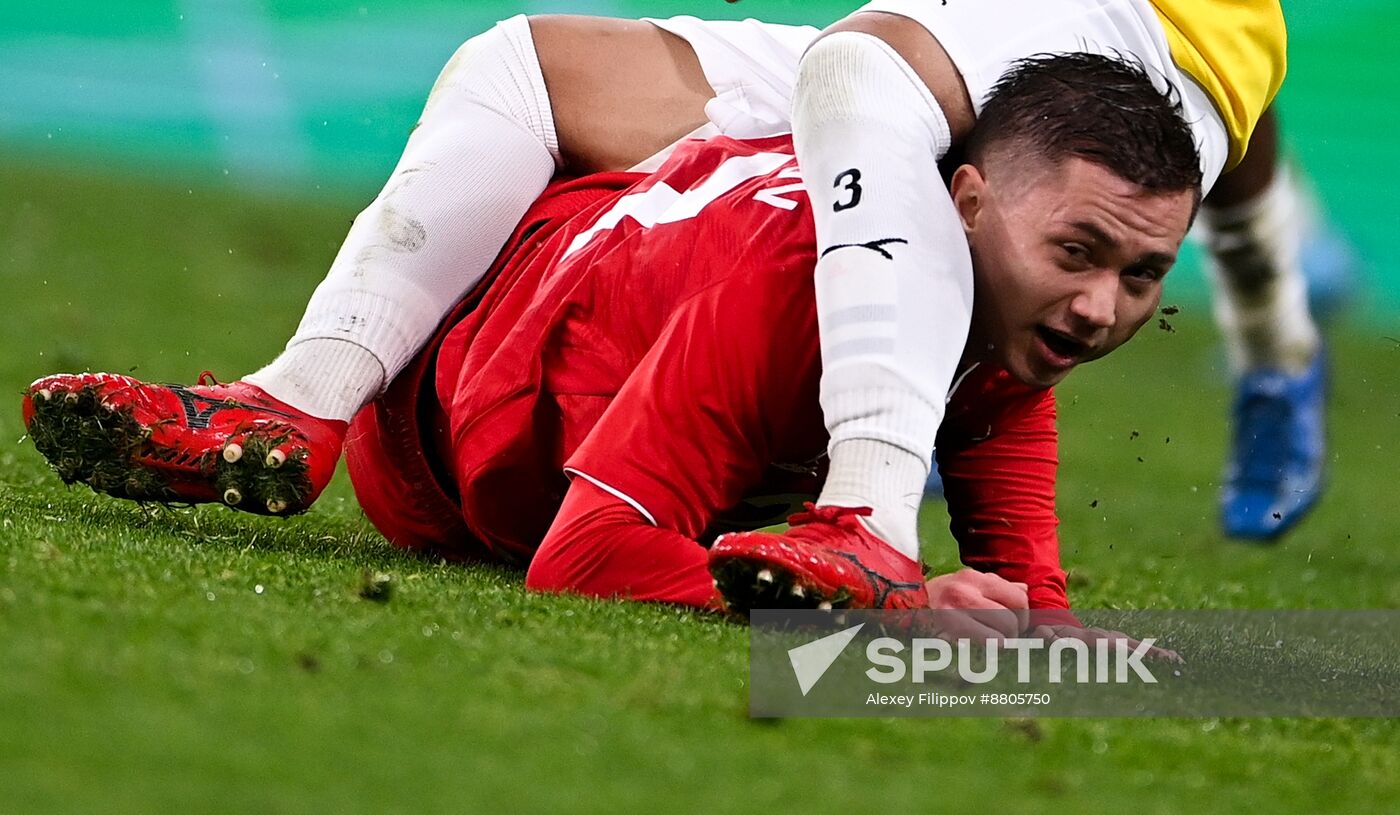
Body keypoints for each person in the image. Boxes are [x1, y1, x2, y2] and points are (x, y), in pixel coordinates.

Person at [23, 53, 1202, 619]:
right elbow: (581, 559)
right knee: (532, 63)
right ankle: (320, 389)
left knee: (522, 59)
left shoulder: (1001, 337)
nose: (1101, 309)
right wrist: (900, 610)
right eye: (1077, 255)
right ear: (959, 204)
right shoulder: (786, 288)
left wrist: (1021, 620)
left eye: (1141, 274)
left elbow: (1031, 615)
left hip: (644, 220)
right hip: (442, 455)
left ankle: (294, 392)